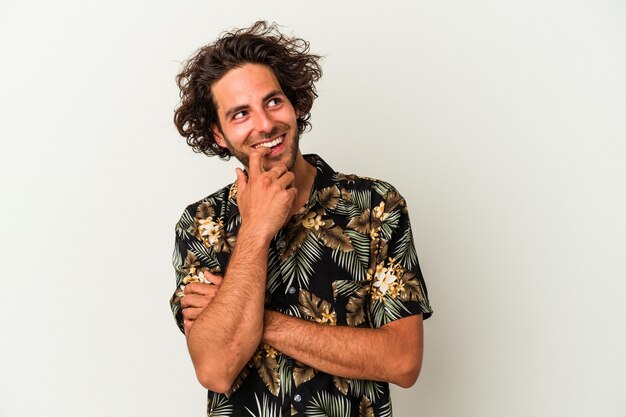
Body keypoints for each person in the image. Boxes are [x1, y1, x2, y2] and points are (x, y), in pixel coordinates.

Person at [170, 21, 433, 417]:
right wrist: (255, 229)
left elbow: (403, 361)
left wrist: (259, 322)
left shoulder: (375, 206)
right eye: (240, 113)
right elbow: (215, 368)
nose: (264, 124)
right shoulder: (200, 224)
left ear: (295, 104)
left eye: (273, 101)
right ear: (220, 134)